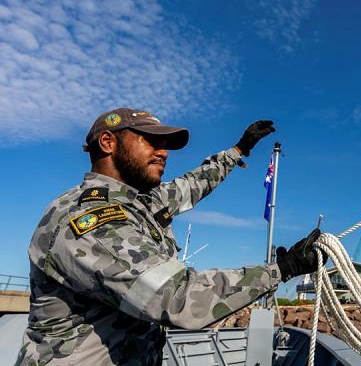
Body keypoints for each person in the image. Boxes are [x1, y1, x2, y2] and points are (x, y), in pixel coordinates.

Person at [16, 108, 323, 366]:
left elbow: (194, 183)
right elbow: (178, 299)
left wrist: (239, 150)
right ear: (108, 142)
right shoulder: (86, 219)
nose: (163, 152)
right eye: (150, 141)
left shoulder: (140, 203)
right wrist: (283, 269)